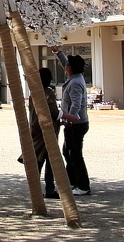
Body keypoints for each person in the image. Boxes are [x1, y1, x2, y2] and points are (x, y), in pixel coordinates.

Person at [53, 46, 91, 196]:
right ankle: (73, 181)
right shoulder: (76, 76)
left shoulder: (75, 82)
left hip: (76, 123)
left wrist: (70, 119)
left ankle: (83, 185)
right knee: (68, 152)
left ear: (70, 68)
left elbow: (76, 103)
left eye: (67, 65)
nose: (65, 66)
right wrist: (58, 53)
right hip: (76, 122)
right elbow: (65, 63)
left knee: (74, 154)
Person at [19, 67, 61, 198]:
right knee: (49, 159)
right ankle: (49, 188)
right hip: (47, 129)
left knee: (39, 159)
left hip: (35, 127)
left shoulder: (34, 93)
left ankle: (36, 188)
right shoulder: (47, 92)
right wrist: (65, 116)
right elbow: (53, 111)